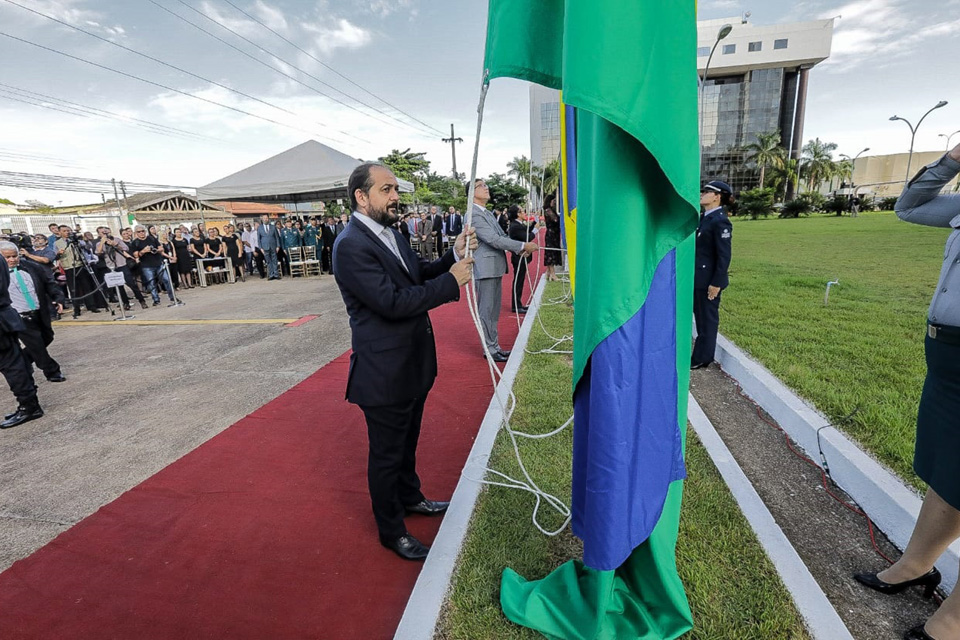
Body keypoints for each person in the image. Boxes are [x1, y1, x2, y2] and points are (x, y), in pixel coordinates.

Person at [332, 163, 476, 561]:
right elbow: (392, 303)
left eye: (395, 188)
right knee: (387, 454)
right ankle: (392, 530)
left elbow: (414, 277)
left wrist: (452, 255)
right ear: (361, 197)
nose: (396, 196)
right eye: (386, 189)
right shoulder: (350, 246)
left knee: (407, 441)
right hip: (384, 373)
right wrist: (452, 282)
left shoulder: (390, 233)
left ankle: (411, 497)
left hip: (411, 363)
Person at [853, 144, 960, 640]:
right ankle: (916, 565)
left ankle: (953, 621)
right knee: (947, 468)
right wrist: (952, 161)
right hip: (948, 357)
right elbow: (911, 207)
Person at [470, 179, 538, 362]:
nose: (487, 188)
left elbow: (501, 236)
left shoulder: (488, 213)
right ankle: (490, 349)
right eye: (481, 186)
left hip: (494, 266)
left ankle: (495, 346)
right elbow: (492, 239)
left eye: (486, 185)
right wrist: (522, 244)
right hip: (485, 267)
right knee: (487, 310)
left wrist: (519, 247)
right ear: (471, 191)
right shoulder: (473, 214)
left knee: (493, 309)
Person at [0, 242, 65, 383]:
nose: (12, 259)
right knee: (36, 343)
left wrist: (58, 298)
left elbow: (49, 283)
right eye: (7, 257)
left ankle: (21, 361)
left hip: (39, 311)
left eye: (14, 256)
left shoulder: (32, 267)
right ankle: (52, 370)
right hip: (19, 316)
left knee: (47, 337)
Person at [691, 180, 734, 370]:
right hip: (698, 278)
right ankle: (699, 354)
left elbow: (724, 256)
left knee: (706, 321)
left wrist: (716, 282)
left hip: (708, 281)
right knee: (700, 318)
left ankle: (703, 357)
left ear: (717, 197)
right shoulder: (705, 217)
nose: (702, 193)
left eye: (707, 191)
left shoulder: (720, 221)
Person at [0, 250, 43, 429]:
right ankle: (29, 402)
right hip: (5, 317)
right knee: (15, 362)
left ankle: (29, 405)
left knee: (11, 365)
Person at [130, 226, 176, 306]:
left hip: (158, 263)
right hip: (146, 266)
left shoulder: (152, 239)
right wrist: (144, 251)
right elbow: (136, 255)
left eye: (142, 231)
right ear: (136, 233)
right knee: (151, 283)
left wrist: (155, 250)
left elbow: (161, 248)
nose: (141, 233)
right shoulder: (135, 243)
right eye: (139, 232)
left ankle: (172, 297)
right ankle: (156, 300)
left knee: (167, 280)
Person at [507, 205, 537, 313]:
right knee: (518, 281)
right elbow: (527, 236)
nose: (525, 213)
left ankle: (518, 304)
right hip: (519, 257)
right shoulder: (515, 226)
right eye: (522, 211)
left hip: (522, 257)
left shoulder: (518, 224)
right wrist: (536, 230)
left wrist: (534, 224)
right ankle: (516, 305)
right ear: (518, 214)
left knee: (520, 280)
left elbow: (526, 230)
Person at [543, 194, 562, 281]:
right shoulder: (548, 210)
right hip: (551, 234)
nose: (554, 203)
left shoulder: (551, 210)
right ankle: (553, 274)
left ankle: (548, 273)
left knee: (552, 252)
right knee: (551, 253)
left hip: (554, 234)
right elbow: (556, 220)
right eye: (553, 201)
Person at [257, 215, 282, 280]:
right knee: (268, 261)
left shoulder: (273, 227)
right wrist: (260, 248)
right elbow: (258, 239)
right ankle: (271, 275)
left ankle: (276, 274)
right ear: (262, 219)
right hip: (265, 247)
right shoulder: (260, 228)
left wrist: (278, 246)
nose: (265, 219)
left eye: (266, 218)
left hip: (273, 246)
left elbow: (277, 237)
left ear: (268, 219)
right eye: (264, 218)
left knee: (275, 260)